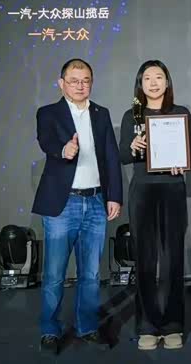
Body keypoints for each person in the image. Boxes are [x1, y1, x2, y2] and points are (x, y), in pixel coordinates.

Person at [32, 58, 122, 355]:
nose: (80, 86)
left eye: (86, 80)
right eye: (73, 80)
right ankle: (49, 330)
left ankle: (88, 327)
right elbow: (46, 140)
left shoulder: (101, 113)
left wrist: (114, 196)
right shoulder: (48, 113)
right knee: (54, 274)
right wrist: (63, 149)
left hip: (95, 202)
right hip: (63, 203)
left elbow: (111, 156)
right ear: (61, 83)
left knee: (91, 275)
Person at [119, 60, 191, 351]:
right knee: (145, 260)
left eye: (159, 77)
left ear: (167, 81)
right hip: (143, 191)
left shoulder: (180, 113)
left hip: (172, 189)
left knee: (172, 258)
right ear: (140, 84)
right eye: (147, 78)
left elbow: (190, 154)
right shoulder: (132, 116)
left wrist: (182, 163)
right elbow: (122, 156)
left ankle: (173, 324)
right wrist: (132, 147)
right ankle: (148, 326)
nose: (153, 83)